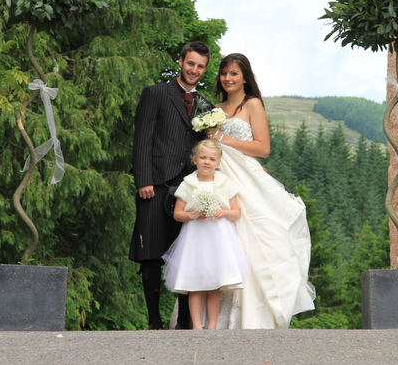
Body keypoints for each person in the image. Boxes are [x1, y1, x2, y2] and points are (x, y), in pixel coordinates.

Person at [206, 53, 315, 329]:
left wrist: (224, 138)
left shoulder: (252, 104)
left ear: (245, 77)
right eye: (224, 73)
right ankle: (211, 318)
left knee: (254, 238)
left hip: (245, 179)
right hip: (220, 179)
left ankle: (253, 314)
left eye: (234, 73)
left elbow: (263, 148)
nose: (228, 78)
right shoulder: (213, 109)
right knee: (220, 239)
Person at [129, 41, 212, 330]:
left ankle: (184, 323)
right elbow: (142, 138)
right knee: (152, 255)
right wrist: (144, 180)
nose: (194, 70)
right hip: (156, 184)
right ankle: (154, 321)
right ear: (180, 62)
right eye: (190, 63)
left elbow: (208, 148)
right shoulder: (155, 93)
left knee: (186, 254)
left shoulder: (206, 105)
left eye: (200, 66)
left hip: (190, 188)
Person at [162, 139, 250, 330]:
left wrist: (223, 212)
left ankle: (212, 326)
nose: (207, 162)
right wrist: (193, 215)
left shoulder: (224, 183)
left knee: (214, 285)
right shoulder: (188, 184)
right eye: (202, 158)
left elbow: (236, 212)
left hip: (219, 239)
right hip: (195, 238)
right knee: (194, 283)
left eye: (211, 159)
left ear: (218, 163)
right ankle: (196, 325)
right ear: (194, 160)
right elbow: (177, 214)